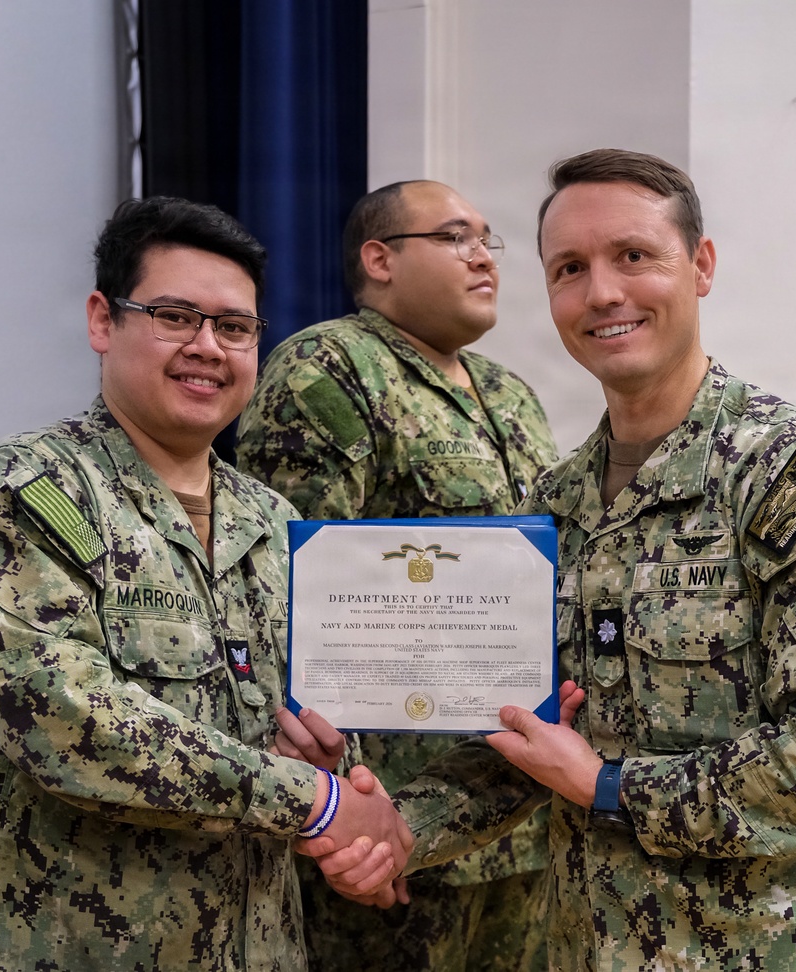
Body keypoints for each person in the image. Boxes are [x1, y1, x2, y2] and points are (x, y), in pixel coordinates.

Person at [315, 149, 796, 970]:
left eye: (634, 256)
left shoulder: (795, 483)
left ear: (700, 266)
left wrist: (610, 787)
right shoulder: (555, 506)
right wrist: (396, 828)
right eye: (570, 268)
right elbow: (531, 739)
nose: (601, 292)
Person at [0, 196, 411, 972]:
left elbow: (324, 726)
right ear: (103, 320)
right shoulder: (25, 491)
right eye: (174, 316)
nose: (208, 348)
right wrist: (316, 803)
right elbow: (63, 720)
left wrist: (339, 781)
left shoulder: (279, 523)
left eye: (234, 328)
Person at [235, 179, 557, 971]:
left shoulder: (511, 395)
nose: (483, 255)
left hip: (517, 811)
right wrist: (353, 824)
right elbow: (296, 600)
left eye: (488, 239)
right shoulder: (327, 369)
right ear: (379, 258)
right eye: (454, 237)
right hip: (399, 815)